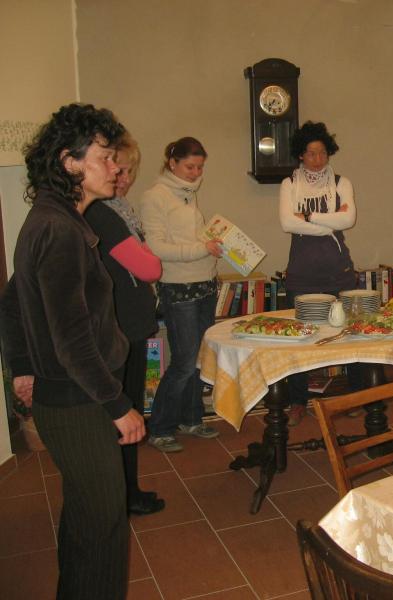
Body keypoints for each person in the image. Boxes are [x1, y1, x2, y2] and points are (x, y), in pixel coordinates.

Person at [0, 103, 144, 599]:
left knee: (87, 515)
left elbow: (11, 303)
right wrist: (118, 404)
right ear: (70, 162)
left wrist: (22, 367)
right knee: (104, 524)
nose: (116, 167)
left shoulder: (53, 218)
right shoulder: (59, 229)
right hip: (79, 402)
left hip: (70, 396)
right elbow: (73, 340)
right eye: (105, 157)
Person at [84, 133, 165, 514]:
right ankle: (123, 495)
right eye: (119, 168)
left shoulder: (117, 210)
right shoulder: (104, 214)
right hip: (122, 327)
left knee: (130, 408)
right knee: (124, 413)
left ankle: (130, 489)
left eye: (130, 170)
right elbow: (149, 268)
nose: (125, 177)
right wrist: (147, 252)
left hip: (131, 323)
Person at [139, 137, 222, 452]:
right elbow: (156, 247)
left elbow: (189, 237)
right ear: (172, 163)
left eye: (200, 167)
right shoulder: (155, 196)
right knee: (184, 362)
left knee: (200, 359)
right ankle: (160, 427)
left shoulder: (189, 193)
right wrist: (202, 248)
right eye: (190, 166)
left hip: (205, 283)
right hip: (179, 287)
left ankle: (191, 418)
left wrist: (214, 242)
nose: (196, 173)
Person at [279, 121, 357, 425]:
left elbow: (348, 220)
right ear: (301, 154)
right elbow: (288, 223)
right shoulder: (289, 184)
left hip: (339, 272)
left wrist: (309, 216)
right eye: (311, 153)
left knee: (349, 335)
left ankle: (355, 398)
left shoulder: (340, 182)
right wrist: (329, 222)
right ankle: (298, 402)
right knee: (300, 340)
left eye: (322, 153)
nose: (318, 159)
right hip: (302, 275)